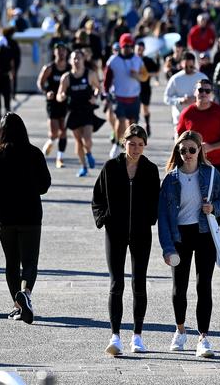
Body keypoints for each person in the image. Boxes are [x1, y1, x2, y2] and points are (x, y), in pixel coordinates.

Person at [0, 113, 51, 324]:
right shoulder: (34, 154)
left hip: (5, 217)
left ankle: (17, 307)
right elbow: (45, 185)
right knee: (30, 261)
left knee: (11, 262)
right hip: (31, 215)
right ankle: (25, 294)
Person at [157, 130, 220, 358]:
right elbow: (163, 217)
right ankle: (180, 330)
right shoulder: (170, 179)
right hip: (180, 236)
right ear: (178, 152)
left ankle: (204, 337)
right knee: (179, 288)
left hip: (204, 233)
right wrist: (167, 247)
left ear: (200, 150)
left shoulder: (211, 173)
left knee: (203, 285)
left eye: (191, 149)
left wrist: (213, 208)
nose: (187, 154)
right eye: (182, 150)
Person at [92, 124, 160, 356]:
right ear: (124, 143)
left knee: (139, 283)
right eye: (132, 143)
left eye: (141, 144)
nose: (136, 148)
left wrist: (150, 219)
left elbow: (155, 200)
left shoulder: (150, 169)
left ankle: (137, 336)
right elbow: (97, 197)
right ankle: (115, 336)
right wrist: (104, 219)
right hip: (116, 233)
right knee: (116, 284)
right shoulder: (112, 167)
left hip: (141, 233)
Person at [177, 78, 220, 182]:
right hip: (193, 165)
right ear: (195, 92)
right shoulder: (186, 113)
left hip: (218, 163)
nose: (203, 93)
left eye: (207, 91)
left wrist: (211, 147)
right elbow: (179, 138)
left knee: (216, 198)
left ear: (211, 94)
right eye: (200, 90)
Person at [57, 49, 102, 177]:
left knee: (87, 138)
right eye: (74, 58)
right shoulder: (66, 77)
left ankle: (89, 153)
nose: (76, 61)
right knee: (78, 140)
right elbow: (59, 95)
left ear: (83, 60)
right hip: (73, 112)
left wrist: (95, 96)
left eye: (79, 58)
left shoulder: (90, 74)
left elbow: (99, 88)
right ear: (70, 61)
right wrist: (62, 96)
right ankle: (83, 167)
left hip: (87, 110)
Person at [103, 33, 148, 158]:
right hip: (119, 96)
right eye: (125, 46)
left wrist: (137, 76)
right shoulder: (113, 60)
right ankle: (117, 144)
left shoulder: (137, 60)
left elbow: (145, 76)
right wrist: (105, 94)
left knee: (132, 124)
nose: (127, 48)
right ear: (121, 46)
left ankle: (129, 146)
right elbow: (107, 79)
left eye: (130, 46)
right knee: (121, 121)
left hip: (134, 97)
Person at [37, 42, 70, 168]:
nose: (61, 53)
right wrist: (46, 92)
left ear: (66, 52)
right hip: (52, 103)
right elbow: (40, 83)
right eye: (58, 50)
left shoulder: (69, 68)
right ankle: (51, 141)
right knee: (54, 133)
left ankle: (60, 158)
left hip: (65, 102)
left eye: (63, 50)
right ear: (54, 52)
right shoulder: (49, 68)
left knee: (64, 130)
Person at [163, 52, 208, 128]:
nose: (188, 69)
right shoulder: (175, 79)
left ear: (194, 64)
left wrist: (197, 99)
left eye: (191, 66)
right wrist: (180, 100)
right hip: (180, 119)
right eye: (185, 66)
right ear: (181, 64)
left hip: (198, 119)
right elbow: (166, 98)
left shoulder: (202, 77)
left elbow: (210, 96)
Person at [136, 41, 160, 137]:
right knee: (135, 109)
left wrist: (146, 74)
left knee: (145, 108)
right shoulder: (132, 60)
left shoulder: (148, 60)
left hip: (145, 88)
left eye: (141, 49)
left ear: (144, 50)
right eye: (138, 49)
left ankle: (147, 124)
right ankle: (134, 127)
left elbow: (157, 71)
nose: (139, 51)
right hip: (133, 89)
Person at [3, 27, 22, 98]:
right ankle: (13, 92)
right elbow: (17, 54)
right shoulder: (13, 42)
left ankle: (7, 92)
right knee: (13, 78)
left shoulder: (3, 41)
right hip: (13, 62)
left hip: (5, 63)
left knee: (6, 78)